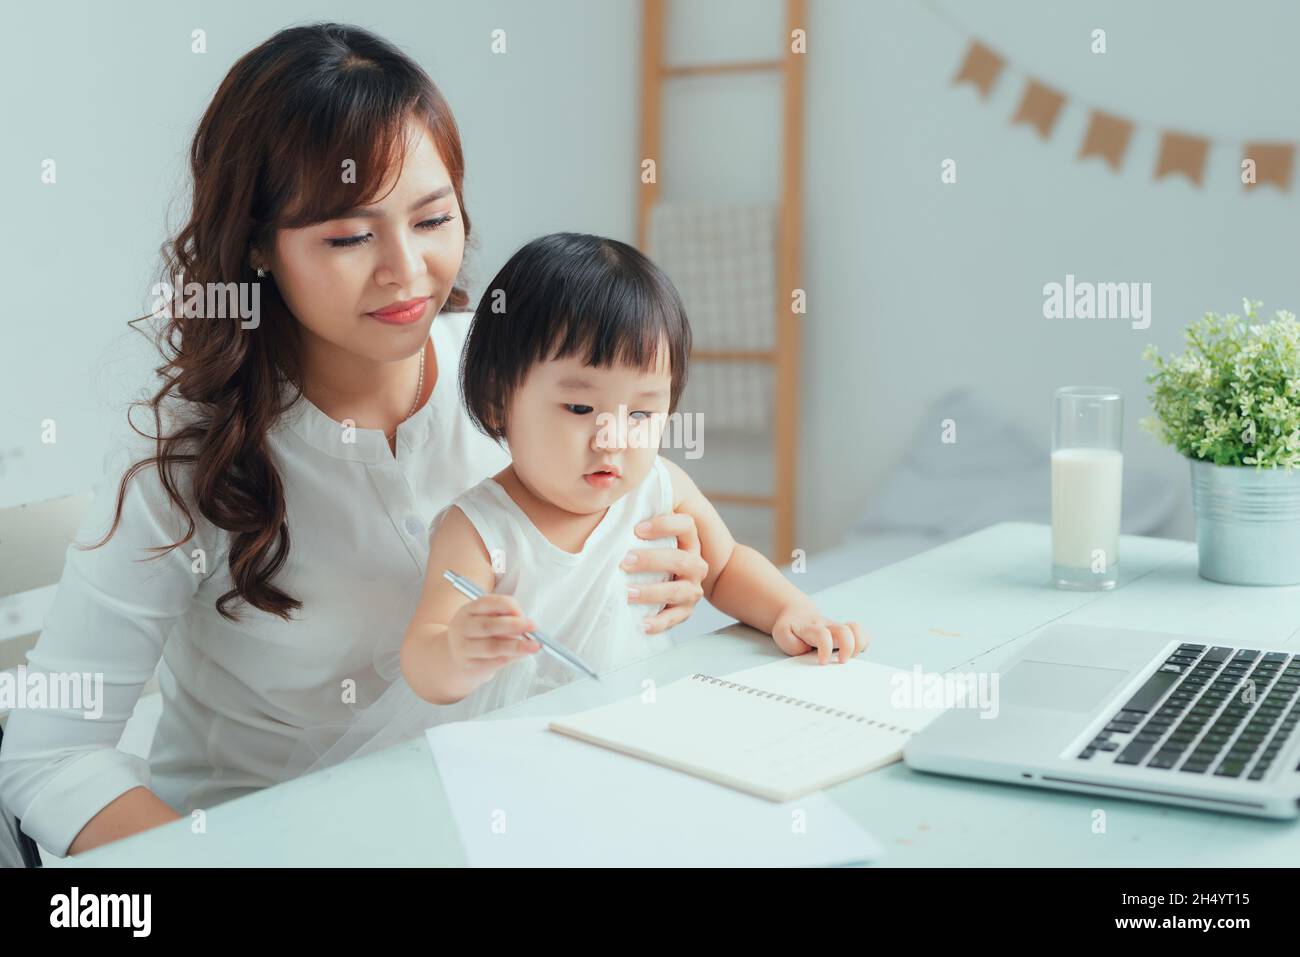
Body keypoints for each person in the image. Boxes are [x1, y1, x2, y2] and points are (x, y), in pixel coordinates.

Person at [0, 23, 707, 859]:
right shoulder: (183, 462)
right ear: (258, 246)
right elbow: (49, 756)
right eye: (347, 236)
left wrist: (674, 562)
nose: (407, 271)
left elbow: (629, 499)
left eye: (433, 218)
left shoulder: (521, 372)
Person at [283, 233, 868, 776]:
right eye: (581, 410)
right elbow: (424, 657)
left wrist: (790, 610)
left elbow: (727, 566)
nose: (613, 437)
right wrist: (458, 648)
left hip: (620, 718)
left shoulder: (658, 486)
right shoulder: (480, 527)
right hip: (504, 746)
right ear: (496, 403)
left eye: (641, 412)